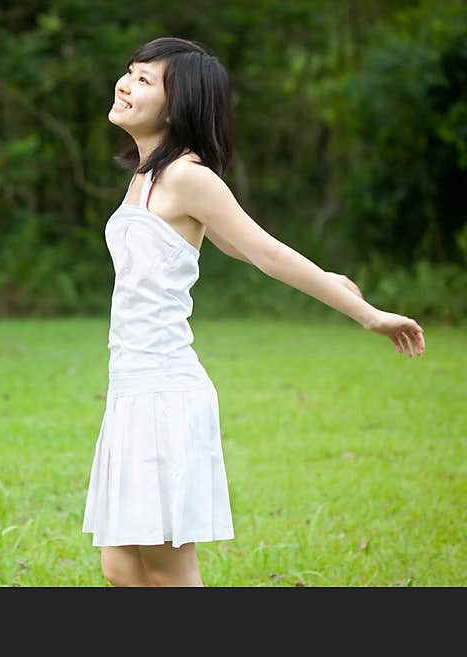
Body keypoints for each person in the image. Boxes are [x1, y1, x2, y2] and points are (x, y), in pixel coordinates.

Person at [81, 37, 426, 587]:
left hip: (165, 392)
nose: (125, 84)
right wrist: (334, 277)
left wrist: (367, 314)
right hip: (131, 386)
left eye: (145, 80)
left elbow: (265, 252)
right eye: (129, 72)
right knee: (121, 566)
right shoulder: (144, 176)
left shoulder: (187, 176)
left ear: (177, 106)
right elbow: (235, 244)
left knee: (168, 568)